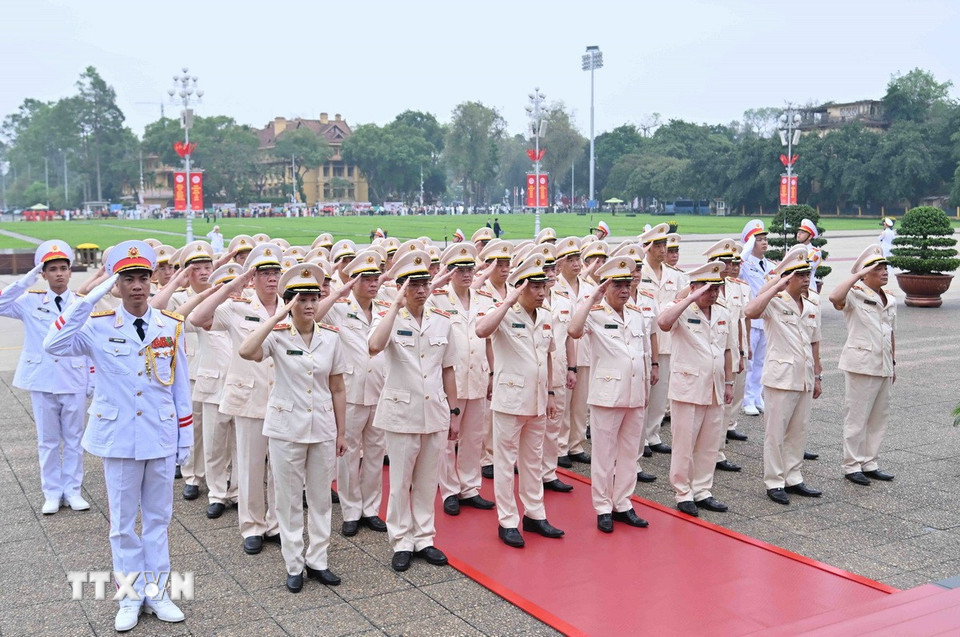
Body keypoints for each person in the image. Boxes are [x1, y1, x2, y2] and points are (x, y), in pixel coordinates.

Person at [44, 241, 192, 632]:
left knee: (159, 521)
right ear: (116, 283)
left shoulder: (170, 325)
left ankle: (158, 592)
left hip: (159, 435)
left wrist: (186, 438)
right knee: (124, 524)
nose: (138, 286)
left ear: (153, 279)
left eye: (143, 277)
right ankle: (129, 596)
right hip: (120, 438)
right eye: (128, 278)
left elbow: (180, 388)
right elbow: (53, 343)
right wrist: (88, 296)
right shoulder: (95, 326)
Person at [239, 263, 347, 593]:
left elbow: (338, 387)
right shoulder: (277, 337)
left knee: (319, 499)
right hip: (286, 428)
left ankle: (318, 560)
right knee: (287, 501)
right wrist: (277, 317)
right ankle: (294, 563)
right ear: (290, 302)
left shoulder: (330, 339)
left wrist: (342, 432)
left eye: (313, 297)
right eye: (301, 299)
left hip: (322, 427)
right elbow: (246, 351)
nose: (309, 304)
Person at [368, 250, 460, 572]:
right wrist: (394, 306)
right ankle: (401, 540)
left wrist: (455, 411)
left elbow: (448, 369)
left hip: (434, 410)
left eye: (425, 283)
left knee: (426, 480)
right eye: (413, 284)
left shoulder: (442, 321)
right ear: (401, 287)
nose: (421, 290)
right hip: (401, 413)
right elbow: (374, 346)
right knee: (400, 481)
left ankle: (424, 537)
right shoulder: (390, 318)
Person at [190, 243, 283, 555]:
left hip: (283, 399)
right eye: (264, 273)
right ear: (253, 278)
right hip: (249, 397)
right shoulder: (237, 308)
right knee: (250, 465)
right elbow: (197, 318)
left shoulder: (290, 306)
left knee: (280, 469)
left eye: (275, 272)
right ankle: (253, 525)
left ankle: (275, 523)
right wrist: (234, 284)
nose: (271, 278)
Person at [476, 254, 564, 548]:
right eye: (534, 287)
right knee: (504, 463)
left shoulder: (547, 316)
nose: (542, 292)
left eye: (544, 286)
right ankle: (508, 521)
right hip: (509, 401)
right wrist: (508, 300)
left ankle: (535, 514)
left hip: (538, 401)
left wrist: (551, 393)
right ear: (520, 288)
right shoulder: (502, 313)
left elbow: (548, 357)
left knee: (533, 461)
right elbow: (481, 331)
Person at [0, 241, 91, 514]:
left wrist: (93, 380)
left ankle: (73, 490)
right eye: (53, 269)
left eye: (64, 268)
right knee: (48, 440)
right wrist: (24, 280)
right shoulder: (30, 301)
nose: (59, 274)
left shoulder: (81, 304)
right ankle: (51, 492)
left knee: (74, 438)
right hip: (41, 378)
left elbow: (90, 345)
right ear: (44, 273)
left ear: (70, 272)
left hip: (73, 377)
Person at [568, 257, 651, 533]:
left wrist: (646, 390)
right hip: (607, 394)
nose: (624, 290)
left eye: (627, 284)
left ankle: (623, 503)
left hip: (636, 394)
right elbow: (573, 330)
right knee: (604, 455)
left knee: (629, 454)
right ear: (607, 286)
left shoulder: (637, 314)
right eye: (618, 284)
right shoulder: (595, 313)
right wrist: (593, 296)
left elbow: (644, 353)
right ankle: (603, 507)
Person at [744, 245, 823, 505]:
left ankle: (794, 477)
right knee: (775, 433)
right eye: (800, 275)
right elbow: (750, 311)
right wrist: (776, 286)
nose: (806, 279)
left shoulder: (811, 303)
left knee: (798, 431)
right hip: (780, 377)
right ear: (788, 278)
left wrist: (819, 375)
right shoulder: (774, 302)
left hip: (804, 376)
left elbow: (814, 341)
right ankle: (774, 481)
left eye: (807, 274)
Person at [657, 262, 735, 517]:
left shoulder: (723, 312)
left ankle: (703, 490)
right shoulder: (680, 309)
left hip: (714, 386)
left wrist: (729, 382)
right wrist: (689, 297)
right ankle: (683, 492)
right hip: (688, 387)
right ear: (694, 288)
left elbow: (726, 349)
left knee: (709, 442)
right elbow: (663, 322)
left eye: (717, 288)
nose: (713, 294)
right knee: (684, 443)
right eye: (708, 289)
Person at [324, 250, 390, 536]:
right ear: (353, 281)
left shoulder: (384, 308)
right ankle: (351, 510)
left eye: (376, 278)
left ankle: (371, 509)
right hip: (350, 393)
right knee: (348, 455)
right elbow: (318, 310)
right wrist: (342, 289)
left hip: (379, 390)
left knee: (375, 454)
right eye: (366, 278)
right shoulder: (339, 307)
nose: (374, 283)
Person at [429, 244, 498, 514]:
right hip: (451, 379)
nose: (468, 274)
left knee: (474, 436)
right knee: (449, 438)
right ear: (449, 271)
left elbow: (489, 341)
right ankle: (449, 491)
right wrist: (437, 282)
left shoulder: (483, 299)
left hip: (478, 375)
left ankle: (470, 487)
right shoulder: (438, 298)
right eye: (461, 269)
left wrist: (493, 373)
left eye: (470, 269)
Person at [828, 244, 897, 486]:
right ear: (865, 273)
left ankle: (870, 462)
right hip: (861, 364)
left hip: (883, 365)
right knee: (857, 417)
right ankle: (851, 465)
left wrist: (894, 363)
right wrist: (857, 275)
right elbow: (834, 298)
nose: (884, 272)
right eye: (878, 268)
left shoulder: (889, 298)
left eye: (885, 267)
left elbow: (890, 333)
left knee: (878, 417)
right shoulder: (855, 294)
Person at [639, 223, 687, 457]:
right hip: (642, 339)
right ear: (647, 247)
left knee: (660, 391)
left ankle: (653, 434)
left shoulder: (674, 275)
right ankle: (640, 438)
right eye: (657, 245)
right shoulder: (639, 272)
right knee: (643, 390)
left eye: (664, 245)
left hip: (666, 340)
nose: (662, 250)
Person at [553, 237, 595, 467]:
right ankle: (560, 447)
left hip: (586, 351)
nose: (576, 264)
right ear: (560, 263)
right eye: (571, 259)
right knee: (563, 403)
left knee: (580, 404)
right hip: (564, 354)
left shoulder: (589, 288)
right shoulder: (553, 287)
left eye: (578, 258)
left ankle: (576, 444)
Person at [740, 219, 772, 417]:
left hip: (766, 319)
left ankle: (757, 396)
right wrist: (746, 247)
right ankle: (747, 399)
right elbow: (737, 262)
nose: (764, 243)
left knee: (761, 361)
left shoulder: (770, 265)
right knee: (750, 362)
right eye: (759, 240)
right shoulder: (745, 264)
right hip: (751, 320)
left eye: (764, 239)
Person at [795, 218, 822, 289]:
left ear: (810, 236)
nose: (798, 234)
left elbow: (806, 266)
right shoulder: (794, 249)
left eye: (802, 232)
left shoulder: (815, 252)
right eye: (799, 232)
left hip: (808, 288)